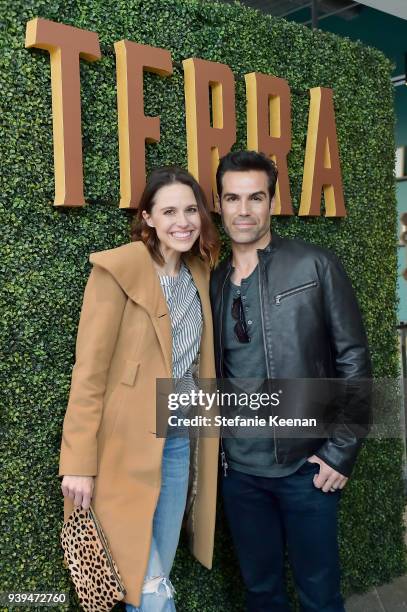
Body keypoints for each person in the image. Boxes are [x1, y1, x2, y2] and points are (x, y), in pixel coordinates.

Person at [210, 150, 372, 612]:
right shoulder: (214, 282)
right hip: (240, 474)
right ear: (219, 205)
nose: (244, 210)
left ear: (271, 202)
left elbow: (354, 359)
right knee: (261, 594)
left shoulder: (315, 266)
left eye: (255, 197)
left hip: (307, 469)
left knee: (320, 596)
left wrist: (340, 452)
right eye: (232, 198)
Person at [58, 166, 220, 611]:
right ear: (147, 217)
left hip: (178, 437)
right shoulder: (118, 270)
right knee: (148, 586)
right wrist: (77, 461)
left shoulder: (200, 273)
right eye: (169, 211)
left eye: (191, 210)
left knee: (155, 572)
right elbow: (88, 373)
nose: (182, 221)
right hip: (124, 445)